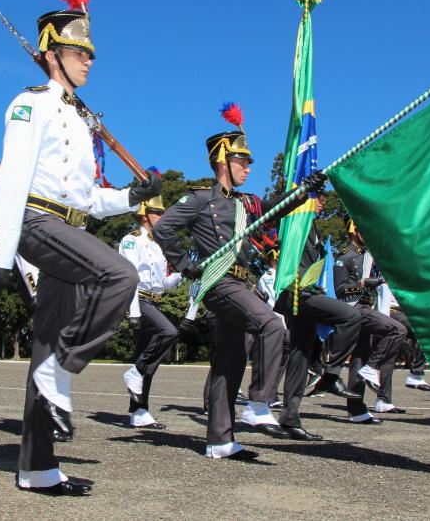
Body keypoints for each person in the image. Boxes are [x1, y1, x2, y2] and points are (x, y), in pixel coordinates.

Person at [0, 0, 160, 494]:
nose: (88, 61)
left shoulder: (82, 122)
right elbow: (12, 179)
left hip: (69, 228)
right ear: (52, 54)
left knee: (42, 352)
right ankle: (65, 365)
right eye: (80, 52)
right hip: (37, 225)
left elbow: (85, 198)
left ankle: (37, 467)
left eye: (90, 54)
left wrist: (131, 196)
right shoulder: (29, 104)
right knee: (119, 275)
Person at [153, 108, 322, 459]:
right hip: (219, 283)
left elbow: (273, 210)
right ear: (222, 161)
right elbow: (164, 227)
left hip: (242, 285)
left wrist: (304, 193)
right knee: (272, 325)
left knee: (228, 363)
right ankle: (259, 401)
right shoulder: (201, 199)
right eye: (242, 161)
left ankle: (219, 440)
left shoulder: (248, 203)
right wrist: (186, 266)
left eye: (248, 162)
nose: (248, 167)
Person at [273, 193, 363, 440]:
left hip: (307, 292)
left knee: (300, 355)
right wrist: (298, 196)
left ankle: (290, 417)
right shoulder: (296, 221)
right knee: (351, 316)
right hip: (297, 292)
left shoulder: (313, 227)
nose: (323, 202)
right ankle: (330, 373)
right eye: (318, 197)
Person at [118, 193, 182, 429]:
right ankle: (134, 372)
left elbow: (162, 284)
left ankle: (139, 411)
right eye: (158, 213)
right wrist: (133, 312)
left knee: (146, 357)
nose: (162, 217)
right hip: (139, 301)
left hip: (153, 301)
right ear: (145, 215)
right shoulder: (132, 240)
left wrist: (184, 273)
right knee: (169, 332)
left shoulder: (158, 245)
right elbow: (131, 278)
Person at [334, 223, 407, 424]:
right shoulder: (345, 256)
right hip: (355, 309)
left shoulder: (368, 255)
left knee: (359, 358)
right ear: (355, 231)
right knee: (397, 329)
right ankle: (373, 368)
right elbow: (340, 290)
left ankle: (356, 410)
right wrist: (363, 284)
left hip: (368, 308)